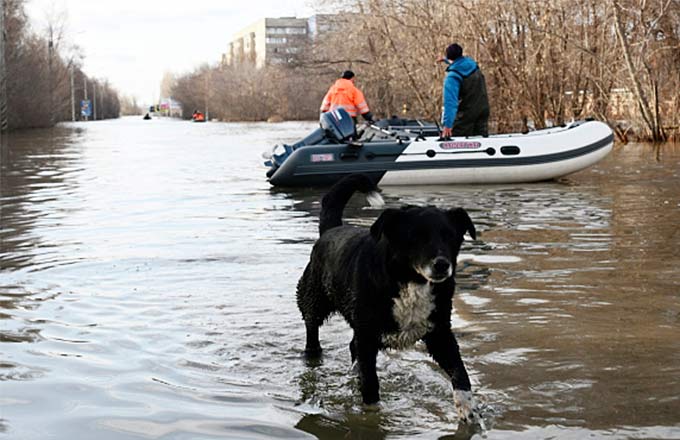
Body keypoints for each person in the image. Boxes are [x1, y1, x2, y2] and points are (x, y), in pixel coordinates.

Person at [439, 43, 490, 138]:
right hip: (483, 111)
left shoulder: (452, 77)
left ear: (449, 57)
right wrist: (446, 60)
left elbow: (450, 103)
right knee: (481, 145)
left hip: (466, 115)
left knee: (458, 145)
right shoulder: (472, 65)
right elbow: (458, 63)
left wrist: (447, 125)